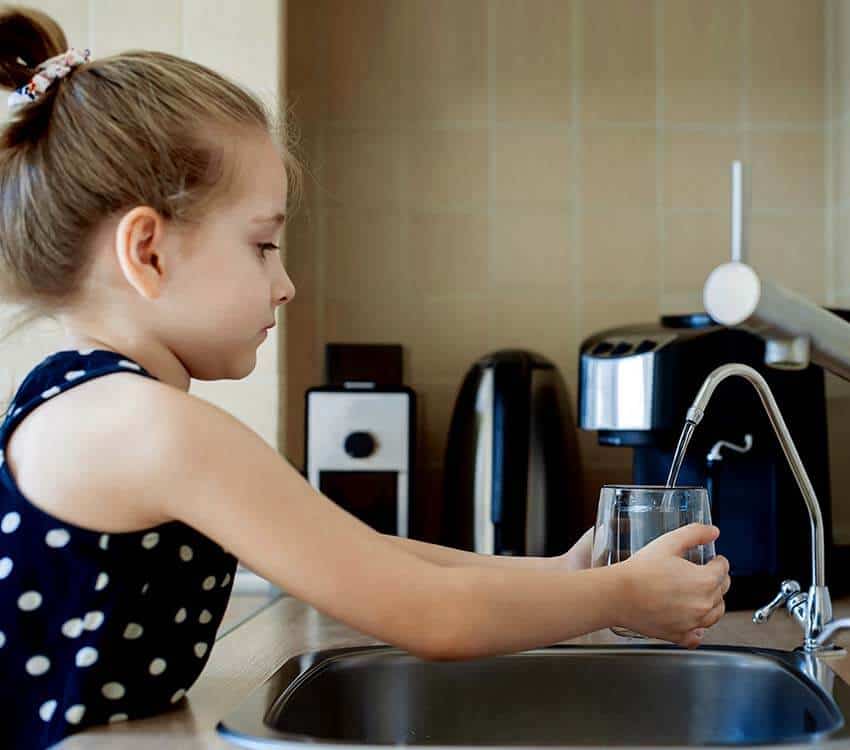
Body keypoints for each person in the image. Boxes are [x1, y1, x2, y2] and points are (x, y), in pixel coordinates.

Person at [0, 6, 731, 749]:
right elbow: (428, 613)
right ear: (148, 252)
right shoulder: (145, 426)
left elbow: (367, 553)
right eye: (262, 245)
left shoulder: (88, 403)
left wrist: (559, 575)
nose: (285, 285)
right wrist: (617, 595)